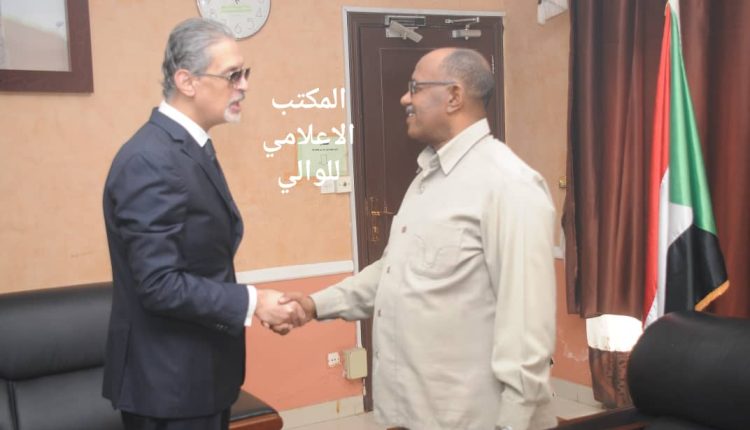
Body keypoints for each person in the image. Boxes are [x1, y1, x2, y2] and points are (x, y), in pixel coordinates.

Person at [279, 48, 558, 430]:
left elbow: (527, 326)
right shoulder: (428, 178)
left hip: (473, 418)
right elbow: (394, 272)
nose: (404, 99)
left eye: (415, 87)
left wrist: (513, 423)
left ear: (454, 96)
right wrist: (315, 305)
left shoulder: (509, 185)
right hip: (415, 413)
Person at [102, 18, 303, 430]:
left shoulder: (187, 149)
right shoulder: (151, 159)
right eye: (232, 75)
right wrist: (253, 302)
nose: (244, 86)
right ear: (187, 81)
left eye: (245, 73)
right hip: (170, 386)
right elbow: (159, 284)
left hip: (198, 377)